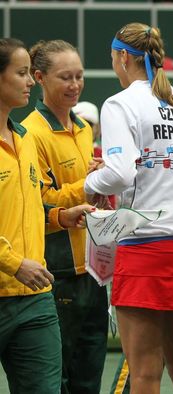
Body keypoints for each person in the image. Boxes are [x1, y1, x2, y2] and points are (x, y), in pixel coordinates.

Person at [84, 22, 173, 394]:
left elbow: (120, 174)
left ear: (123, 57)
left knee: (144, 375)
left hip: (148, 246)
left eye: (113, 58)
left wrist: (90, 183)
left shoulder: (119, 103)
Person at [0, 37, 93, 394]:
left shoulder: (22, 141)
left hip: (35, 296)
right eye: (22, 73)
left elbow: (29, 209)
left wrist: (62, 218)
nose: (28, 82)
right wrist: (13, 263)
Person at [21, 40, 109, 394]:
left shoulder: (84, 129)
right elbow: (38, 202)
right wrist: (86, 183)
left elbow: (86, 190)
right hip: (56, 269)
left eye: (79, 76)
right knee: (56, 376)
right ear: (39, 78)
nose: (75, 85)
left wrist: (101, 181)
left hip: (94, 268)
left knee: (91, 373)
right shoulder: (30, 133)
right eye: (65, 78)